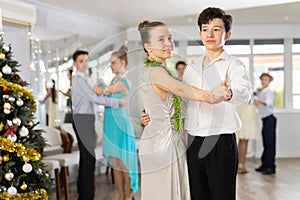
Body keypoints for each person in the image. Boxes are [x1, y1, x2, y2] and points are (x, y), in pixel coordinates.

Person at [141, 7, 252, 200]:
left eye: (216, 29)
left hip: (220, 142)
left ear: (228, 34)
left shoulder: (233, 64)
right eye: (205, 28)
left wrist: (228, 93)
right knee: (198, 195)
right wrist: (156, 114)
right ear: (200, 33)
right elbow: (183, 104)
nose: (210, 34)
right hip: (192, 143)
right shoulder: (191, 67)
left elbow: (245, 94)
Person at [71, 50, 125, 200]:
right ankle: (87, 196)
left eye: (86, 60)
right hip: (82, 119)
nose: (85, 63)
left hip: (87, 119)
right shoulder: (78, 80)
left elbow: (100, 90)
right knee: (89, 158)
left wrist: (103, 86)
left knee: (86, 158)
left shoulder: (87, 78)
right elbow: (95, 98)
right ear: (75, 63)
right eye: (81, 61)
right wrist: (117, 102)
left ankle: (84, 195)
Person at [93, 46, 138, 200]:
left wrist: (99, 87)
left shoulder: (123, 82)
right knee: (116, 164)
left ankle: (127, 195)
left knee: (124, 164)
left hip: (121, 125)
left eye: (113, 63)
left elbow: (100, 91)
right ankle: (120, 195)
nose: (110, 66)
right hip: (110, 124)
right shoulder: (114, 80)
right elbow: (101, 95)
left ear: (123, 62)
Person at [254, 72, 277, 175]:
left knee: (270, 144)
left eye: (266, 80)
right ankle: (264, 165)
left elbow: (268, 102)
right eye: (263, 79)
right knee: (266, 143)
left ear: (269, 81)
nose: (264, 81)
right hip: (264, 120)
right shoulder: (261, 91)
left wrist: (258, 101)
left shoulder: (268, 92)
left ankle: (271, 167)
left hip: (270, 119)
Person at [236, 94, 259, 174]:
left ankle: (239, 164)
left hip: (241, 109)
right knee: (244, 139)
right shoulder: (247, 86)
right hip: (247, 111)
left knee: (242, 139)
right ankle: (241, 165)